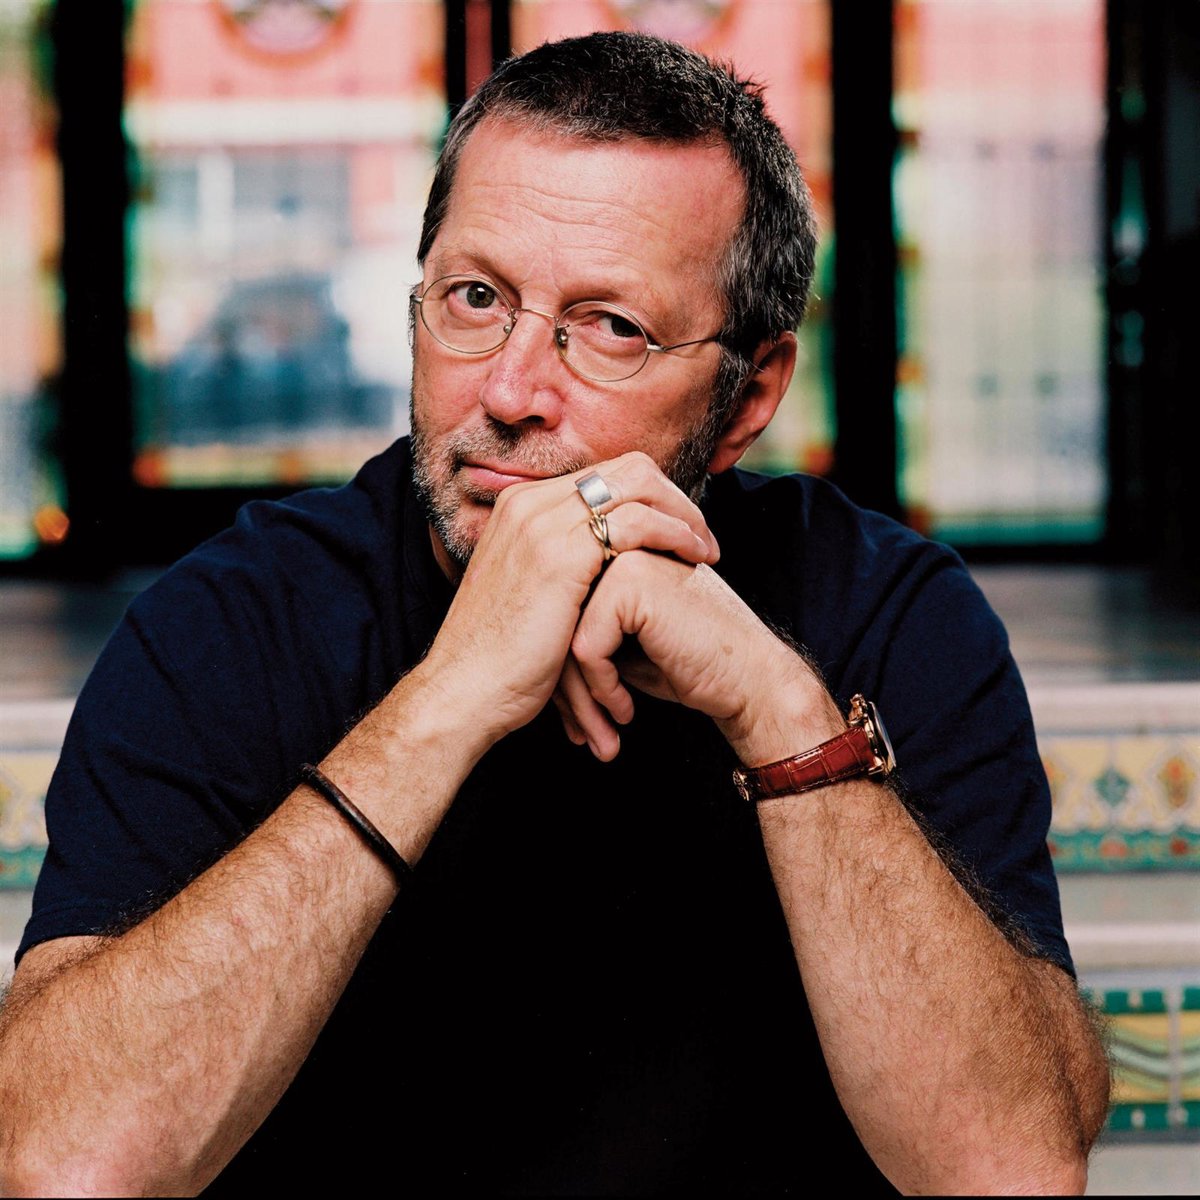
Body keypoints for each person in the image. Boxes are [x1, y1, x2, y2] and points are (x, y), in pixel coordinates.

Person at [0, 31, 1108, 1196]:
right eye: (476, 299)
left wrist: (781, 715)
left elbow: (1011, 1170)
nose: (511, 390)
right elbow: (65, 1164)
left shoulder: (888, 611)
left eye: (612, 326)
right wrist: (448, 700)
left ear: (749, 399)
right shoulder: (230, 621)